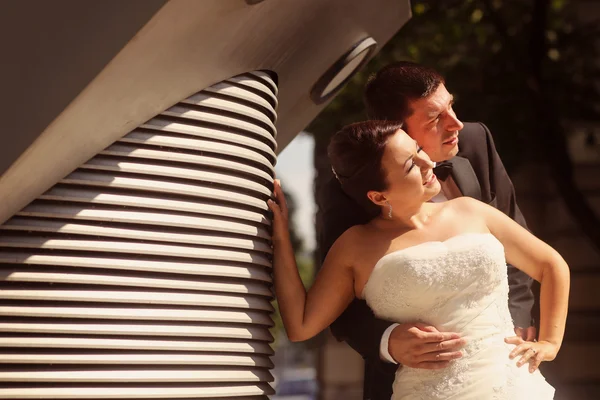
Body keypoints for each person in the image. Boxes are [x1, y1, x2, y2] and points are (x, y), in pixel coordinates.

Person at [268, 121, 569, 399]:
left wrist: (550, 343)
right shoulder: (355, 246)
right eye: (412, 163)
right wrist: (281, 237)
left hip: (513, 387)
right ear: (378, 197)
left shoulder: (471, 210)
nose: (428, 163)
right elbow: (302, 325)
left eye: (419, 150)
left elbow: (551, 265)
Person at [317, 62, 537, 400]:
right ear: (396, 131)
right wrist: (387, 340)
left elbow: (517, 242)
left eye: (451, 105)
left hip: (503, 364)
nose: (457, 124)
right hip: (412, 380)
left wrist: (518, 319)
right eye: (435, 119)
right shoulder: (351, 190)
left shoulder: (476, 141)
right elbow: (334, 298)